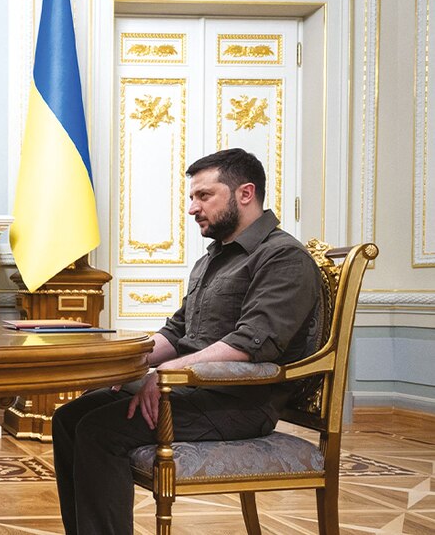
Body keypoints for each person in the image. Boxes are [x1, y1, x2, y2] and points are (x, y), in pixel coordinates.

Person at [52, 148, 322, 535]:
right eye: (192, 197)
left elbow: (250, 344)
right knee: (69, 418)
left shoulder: (284, 258)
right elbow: (177, 333)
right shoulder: (214, 258)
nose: (193, 208)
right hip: (192, 391)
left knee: (100, 430)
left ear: (245, 194)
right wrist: (123, 360)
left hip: (239, 401)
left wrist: (166, 372)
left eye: (204, 196)